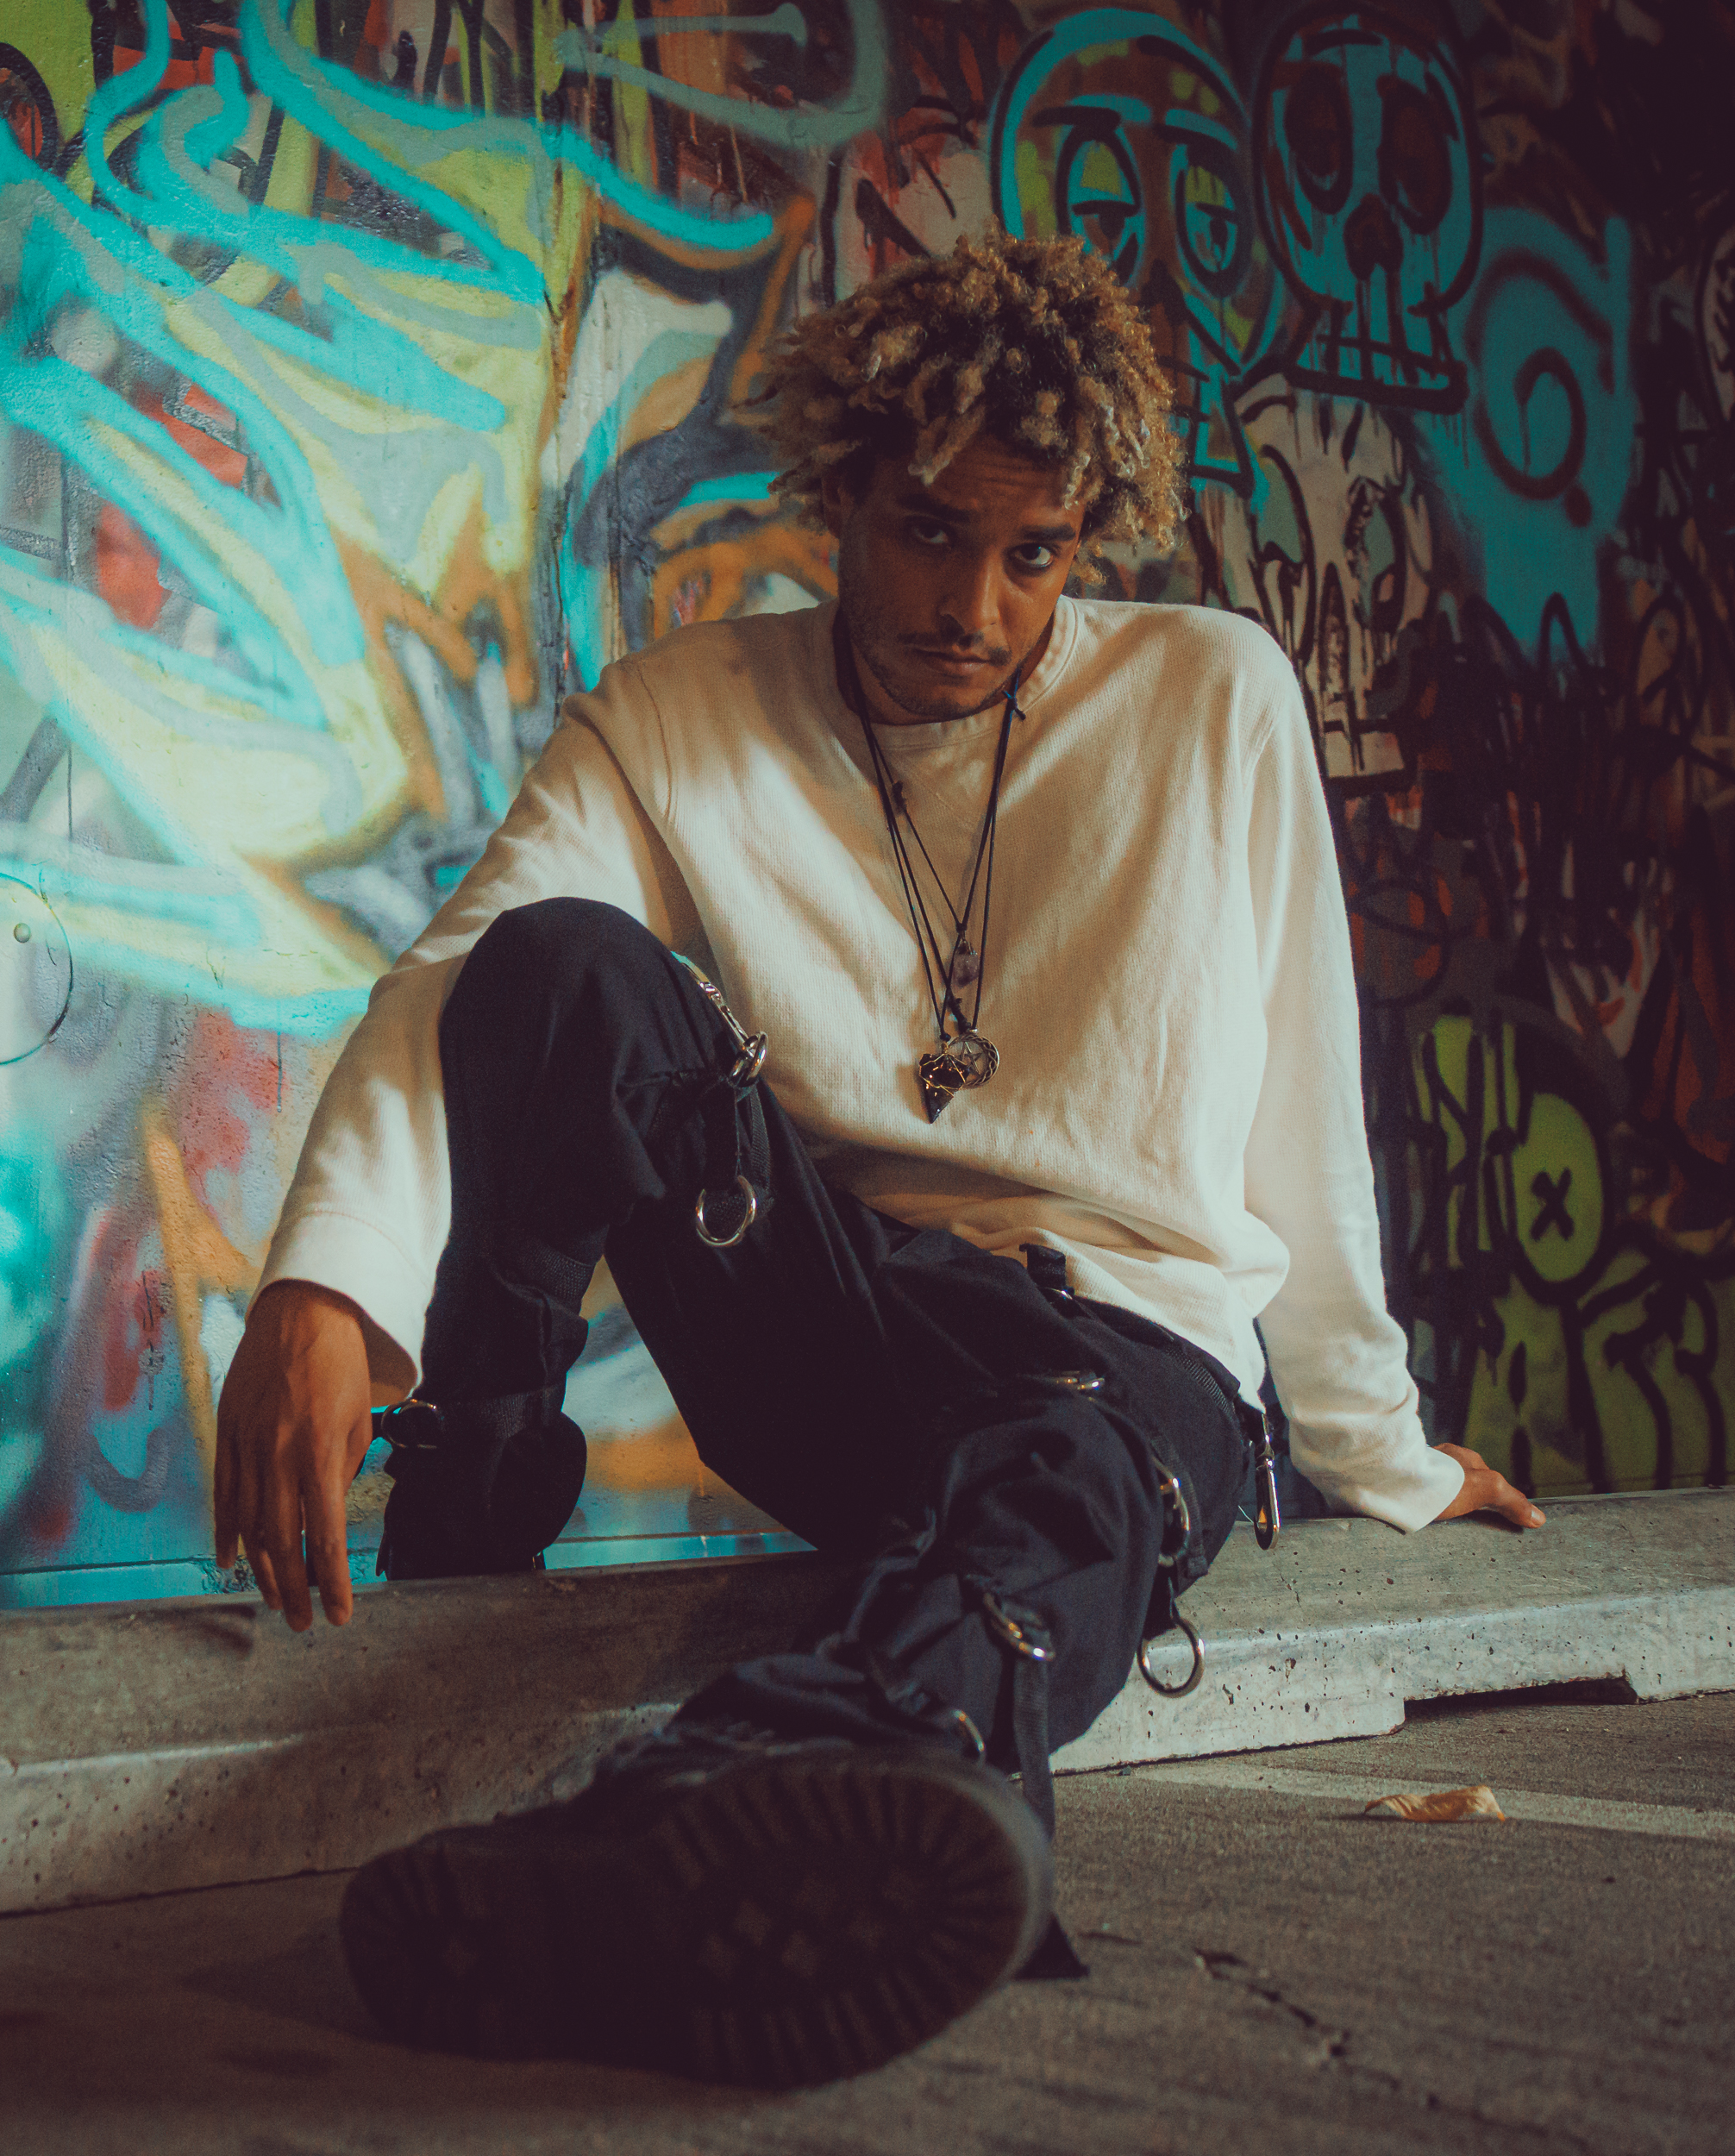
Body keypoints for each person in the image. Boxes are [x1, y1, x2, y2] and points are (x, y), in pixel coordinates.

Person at [212, 233, 1544, 2089]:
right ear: (840, 494)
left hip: (1121, 1356)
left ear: (1085, 541)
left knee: (1057, 1481)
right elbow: (460, 980)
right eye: (927, 530)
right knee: (560, 967)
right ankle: (485, 1542)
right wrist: (319, 1290)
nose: (974, 605)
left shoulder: (1209, 696)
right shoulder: (681, 713)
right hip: (835, 1329)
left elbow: (1303, 1119)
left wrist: (1376, 1454)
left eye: (1034, 553)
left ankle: (687, 1826)